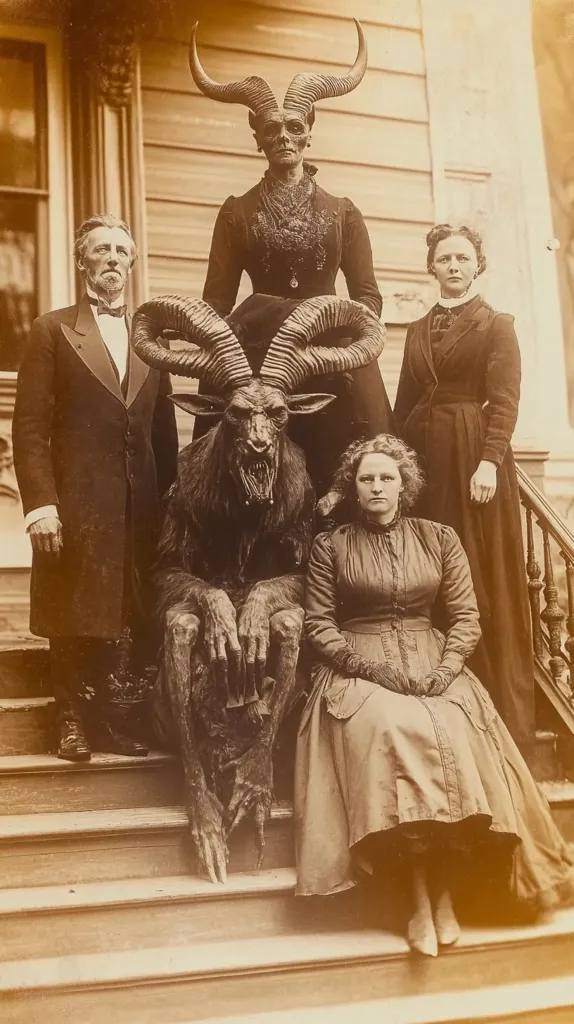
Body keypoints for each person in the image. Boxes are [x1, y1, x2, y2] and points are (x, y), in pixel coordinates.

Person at [295, 434, 574, 957]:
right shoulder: (331, 546)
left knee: (453, 729)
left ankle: (443, 893)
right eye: (366, 478)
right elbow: (319, 625)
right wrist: (368, 667)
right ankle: (419, 900)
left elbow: (466, 617)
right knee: (389, 727)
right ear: (353, 488)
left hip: (434, 661)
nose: (377, 487)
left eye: (387, 477)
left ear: (405, 484)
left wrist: (446, 669)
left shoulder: (439, 538)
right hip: (358, 666)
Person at [188, 20, 394, 494]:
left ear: (308, 135)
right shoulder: (236, 212)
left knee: (357, 455)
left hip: (328, 353)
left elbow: (368, 297)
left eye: (294, 127)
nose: (283, 136)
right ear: (257, 138)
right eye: (271, 129)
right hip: (259, 360)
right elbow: (216, 301)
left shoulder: (343, 213)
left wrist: (340, 345)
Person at [12, 214, 179, 762]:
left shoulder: (152, 341)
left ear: (132, 263)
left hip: (139, 503)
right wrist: (41, 505)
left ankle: (107, 718)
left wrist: (171, 509)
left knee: (124, 607)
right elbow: (30, 427)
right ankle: (69, 717)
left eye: (121, 251)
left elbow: (164, 435)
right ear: (81, 261)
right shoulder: (51, 330)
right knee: (72, 603)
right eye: (101, 249)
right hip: (75, 500)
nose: (112, 258)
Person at [393, 224, 535, 757]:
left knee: (475, 567)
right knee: (430, 566)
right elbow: (403, 402)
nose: (453, 266)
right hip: (425, 464)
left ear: (478, 265)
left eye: (463, 258)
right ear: (431, 266)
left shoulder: (496, 325)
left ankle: (495, 706)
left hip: (472, 456)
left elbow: (505, 401)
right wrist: (394, 463)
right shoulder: (416, 330)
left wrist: (489, 462)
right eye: (444, 258)